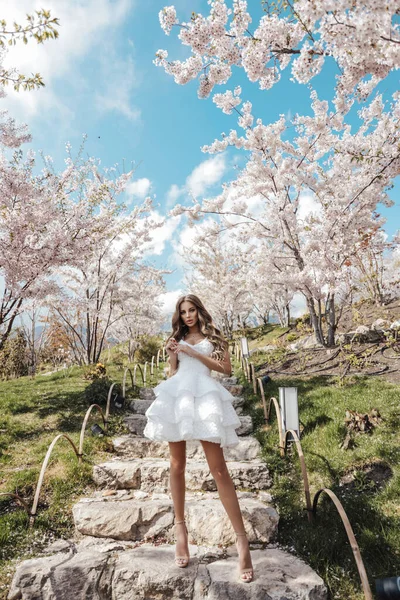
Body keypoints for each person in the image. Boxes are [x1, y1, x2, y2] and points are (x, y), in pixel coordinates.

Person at [143, 294, 254, 583]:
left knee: (219, 469)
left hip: (206, 397)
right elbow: (173, 372)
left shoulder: (214, 337)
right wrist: (172, 355)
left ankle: (242, 541)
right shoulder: (176, 338)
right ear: (178, 315)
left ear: (199, 310)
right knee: (176, 465)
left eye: (192, 310)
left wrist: (194, 353)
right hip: (178, 396)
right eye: (183, 312)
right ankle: (181, 532)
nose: (188, 316)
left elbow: (226, 369)